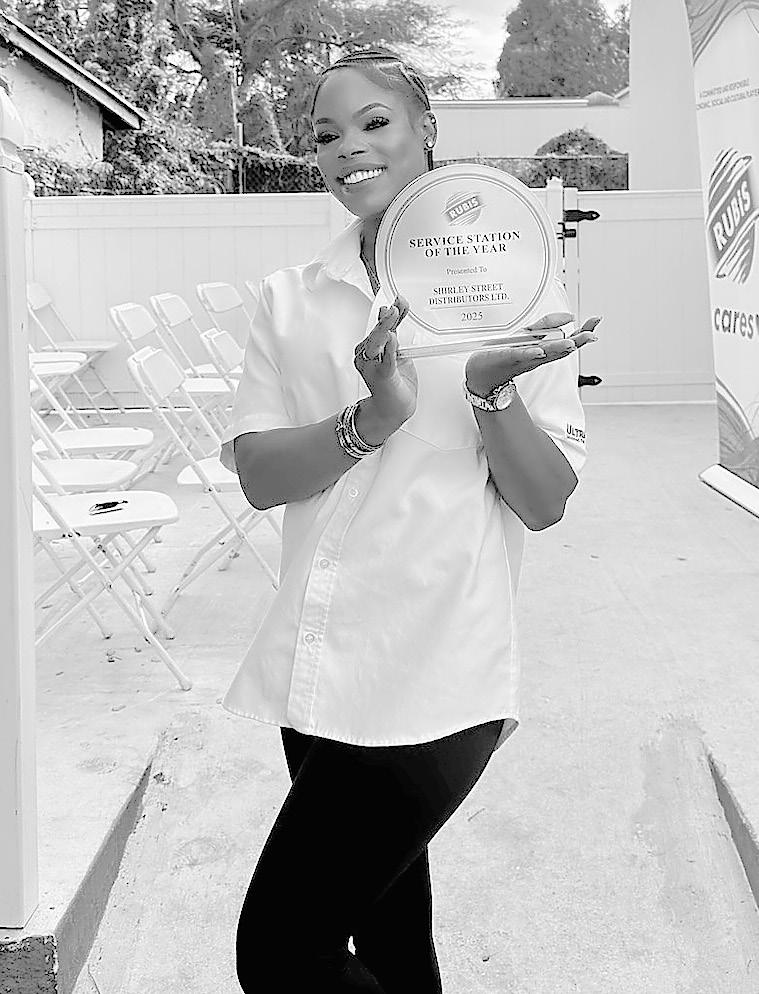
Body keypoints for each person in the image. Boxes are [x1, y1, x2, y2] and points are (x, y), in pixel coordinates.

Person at [220, 48, 600, 994]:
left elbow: (544, 502)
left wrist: (489, 392)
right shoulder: (293, 298)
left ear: (428, 130)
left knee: (282, 953)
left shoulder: (515, 294)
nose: (348, 147)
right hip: (318, 673)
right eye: (326, 134)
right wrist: (371, 420)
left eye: (375, 122)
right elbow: (259, 475)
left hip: (438, 675)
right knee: (391, 946)